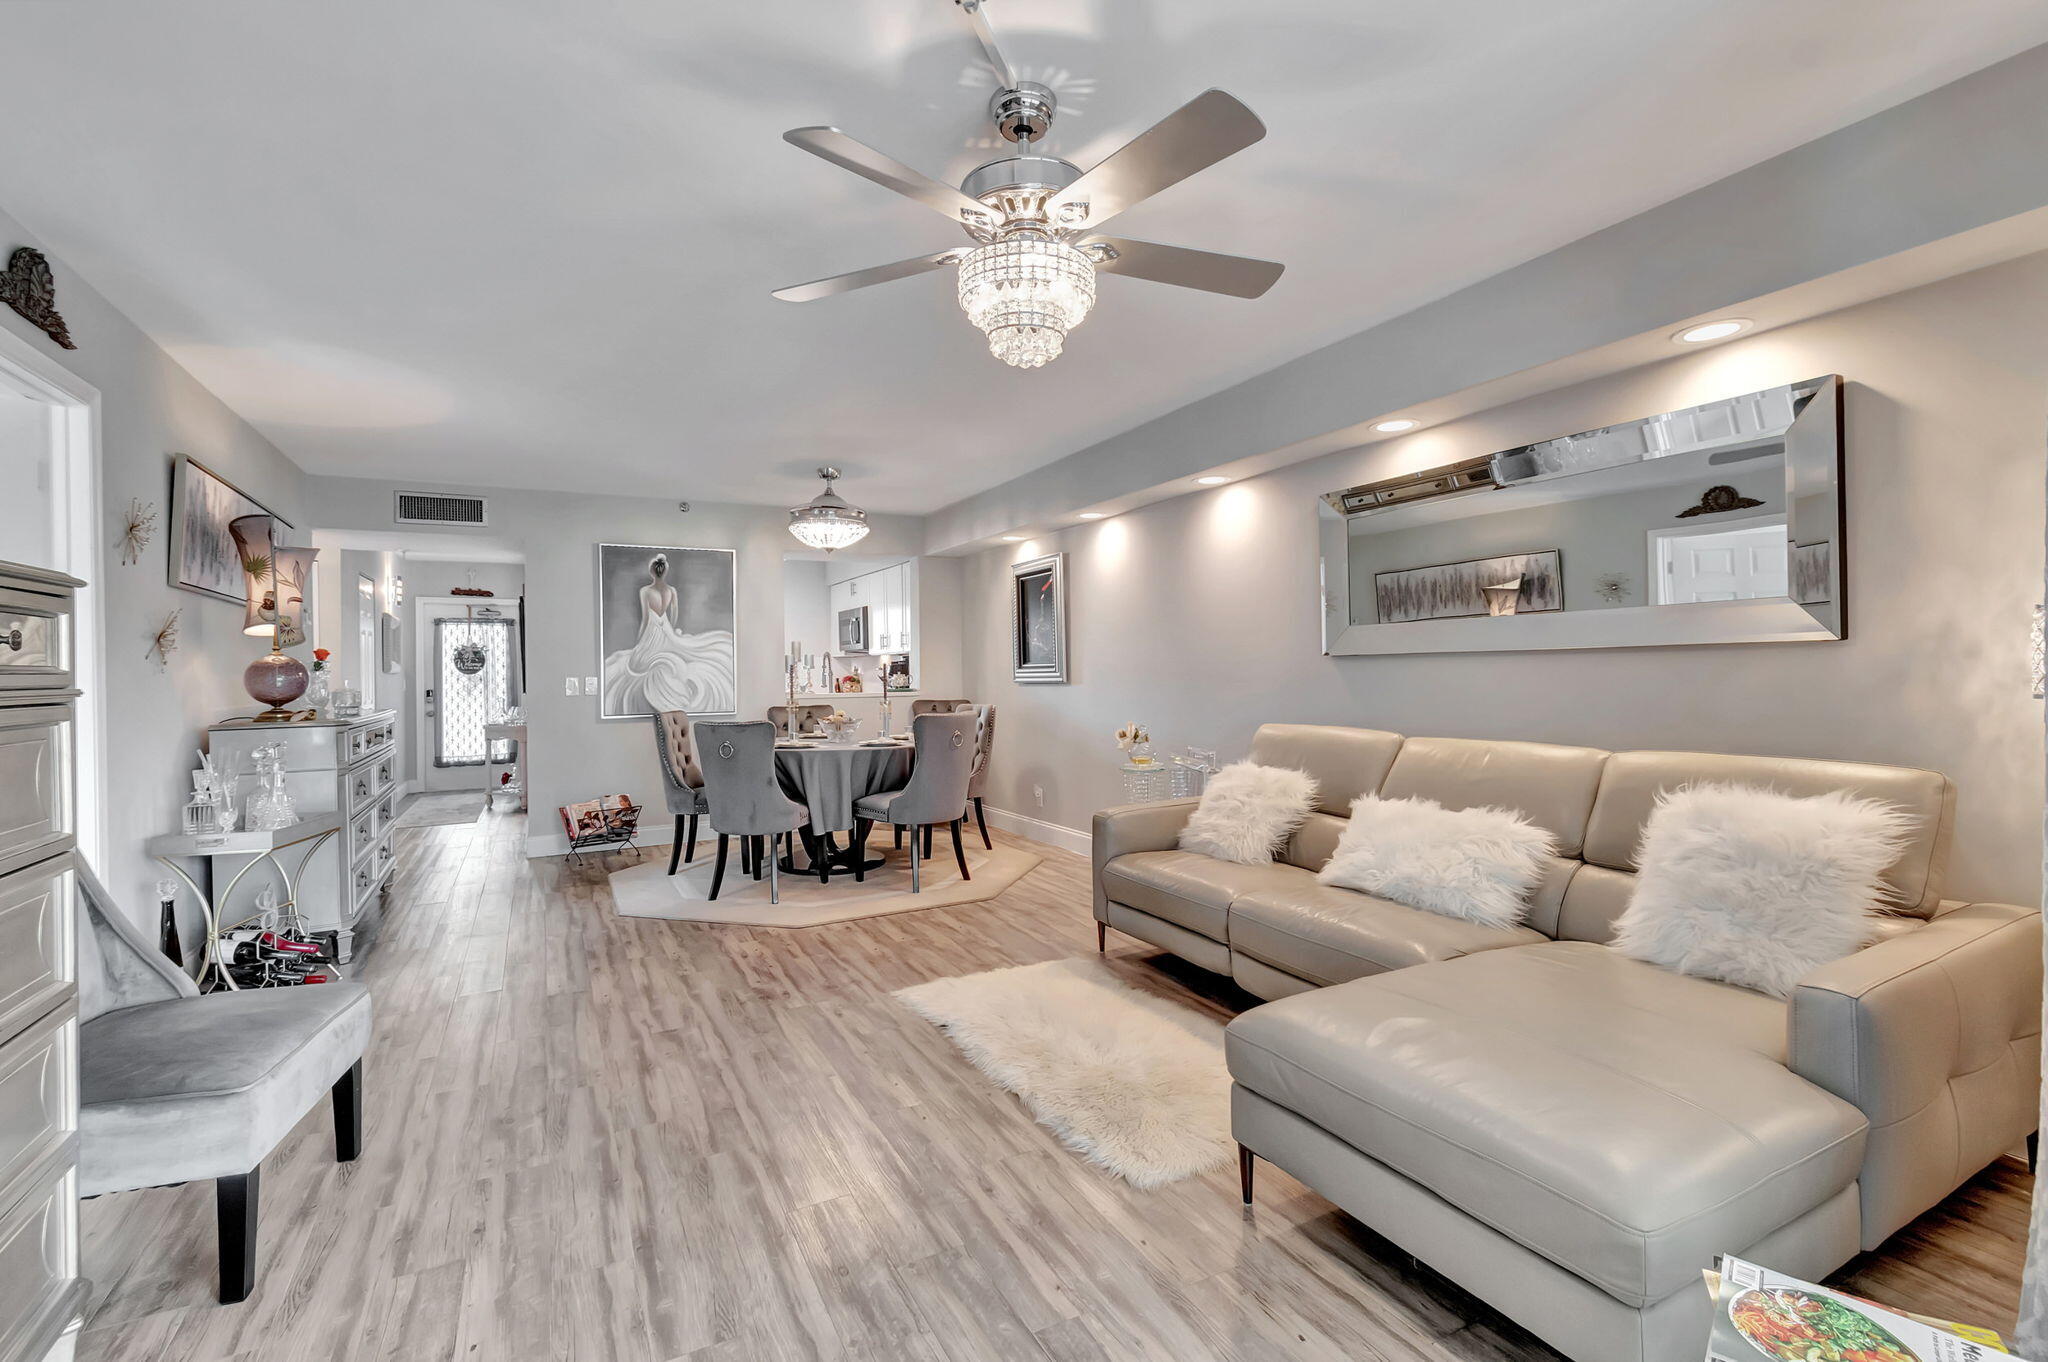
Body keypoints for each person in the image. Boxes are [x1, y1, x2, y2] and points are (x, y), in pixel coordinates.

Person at [601, 553, 736, 714]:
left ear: (652, 572)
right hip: (666, 626)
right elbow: (674, 615)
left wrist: (640, 639)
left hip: (652, 627)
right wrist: (670, 630)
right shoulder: (671, 590)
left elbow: (645, 618)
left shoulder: (646, 591)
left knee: (641, 660)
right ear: (665, 572)